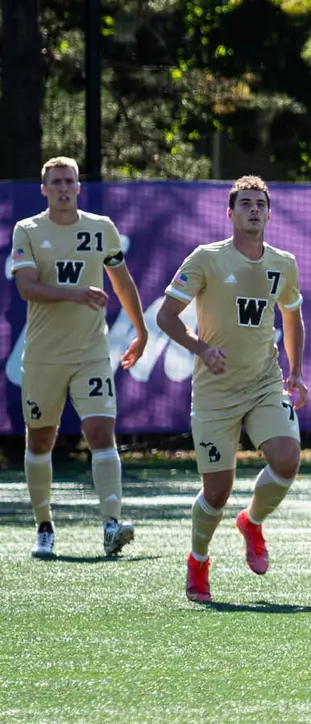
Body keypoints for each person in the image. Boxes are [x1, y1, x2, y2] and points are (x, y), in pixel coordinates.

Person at [156, 176, 307, 603]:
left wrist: (295, 371)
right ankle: (198, 560)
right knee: (217, 492)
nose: (254, 210)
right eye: (245, 204)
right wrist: (201, 349)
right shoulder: (206, 259)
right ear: (231, 213)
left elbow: (292, 318)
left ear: (269, 213)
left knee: (287, 461)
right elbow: (167, 317)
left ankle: (252, 522)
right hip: (215, 393)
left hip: (264, 383)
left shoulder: (284, 263)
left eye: (261, 204)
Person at [9, 157, 147, 559]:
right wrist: (77, 292)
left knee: (102, 433)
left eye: (70, 181)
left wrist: (140, 331)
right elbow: (27, 288)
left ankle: (111, 523)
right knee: (40, 439)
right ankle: (44, 526)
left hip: (91, 354)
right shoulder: (29, 230)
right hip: (43, 357)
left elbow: (122, 281)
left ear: (79, 187)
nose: (64, 188)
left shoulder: (101, 228)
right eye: (56, 182)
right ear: (44, 189)